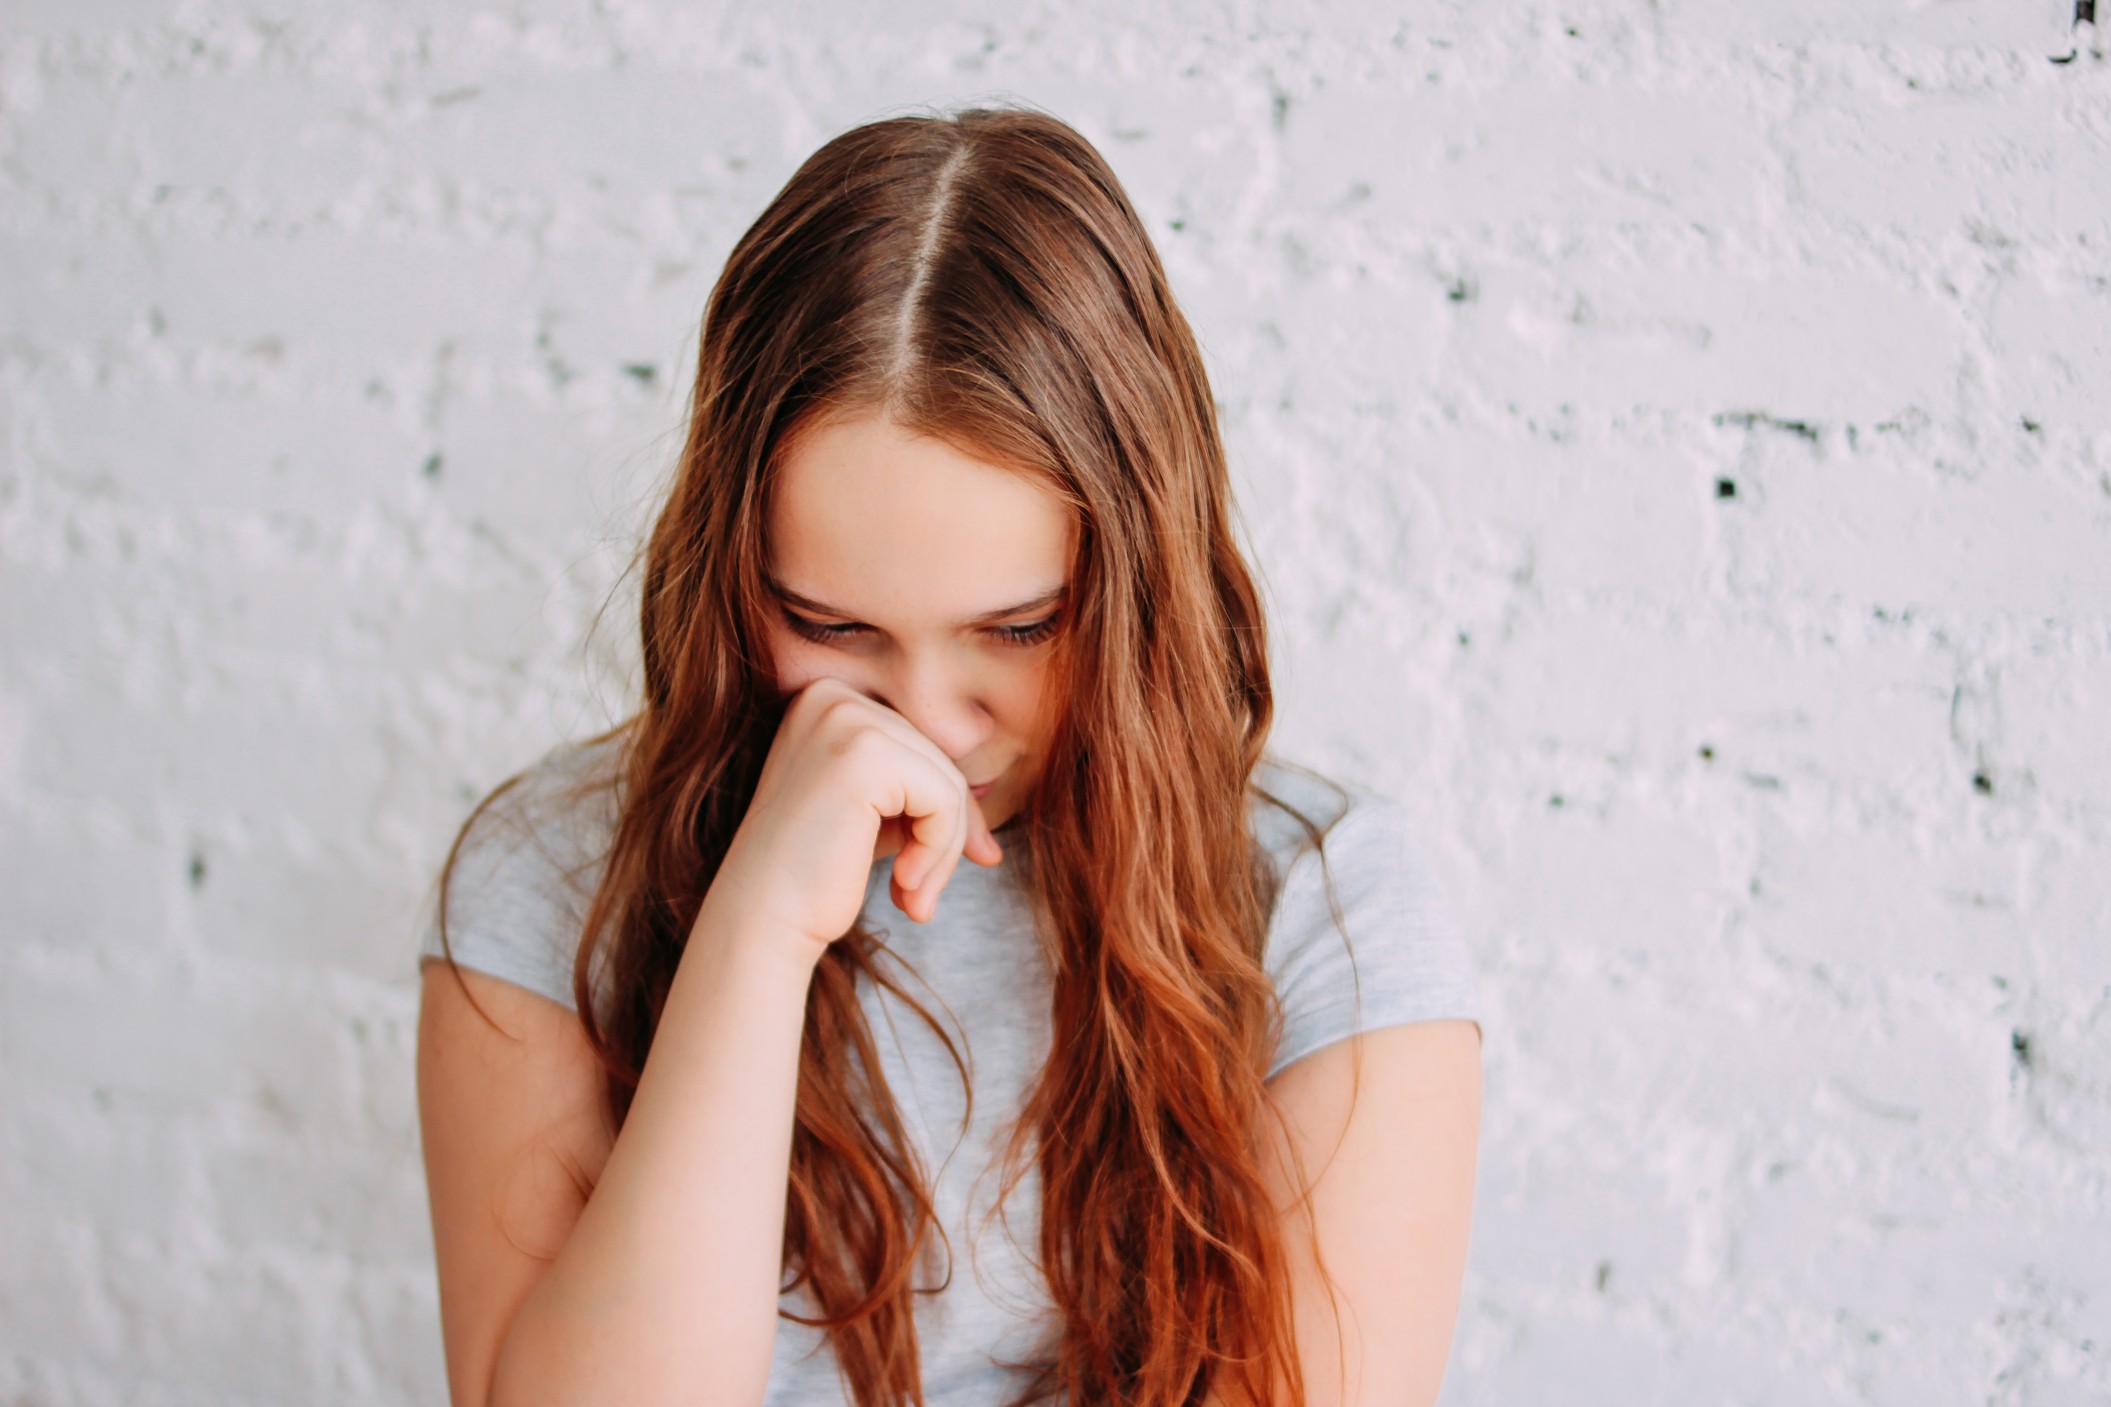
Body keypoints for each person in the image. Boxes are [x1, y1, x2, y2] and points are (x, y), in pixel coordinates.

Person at [414, 103, 1483, 1407]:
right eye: (830, 625)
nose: (923, 721)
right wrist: (753, 933)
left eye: (1019, 626)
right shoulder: (554, 873)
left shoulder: (1326, 903)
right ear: (731, 575)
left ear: (1137, 575)